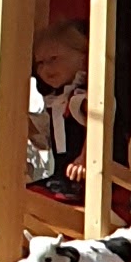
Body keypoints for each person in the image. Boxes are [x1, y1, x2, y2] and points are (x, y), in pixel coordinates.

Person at [25, 23, 87, 191]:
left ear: (82, 58)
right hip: (59, 174)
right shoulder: (53, 101)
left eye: (53, 59)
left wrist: (85, 158)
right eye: (40, 63)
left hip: (81, 175)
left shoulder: (79, 97)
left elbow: (100, 125)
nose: (46, 68)